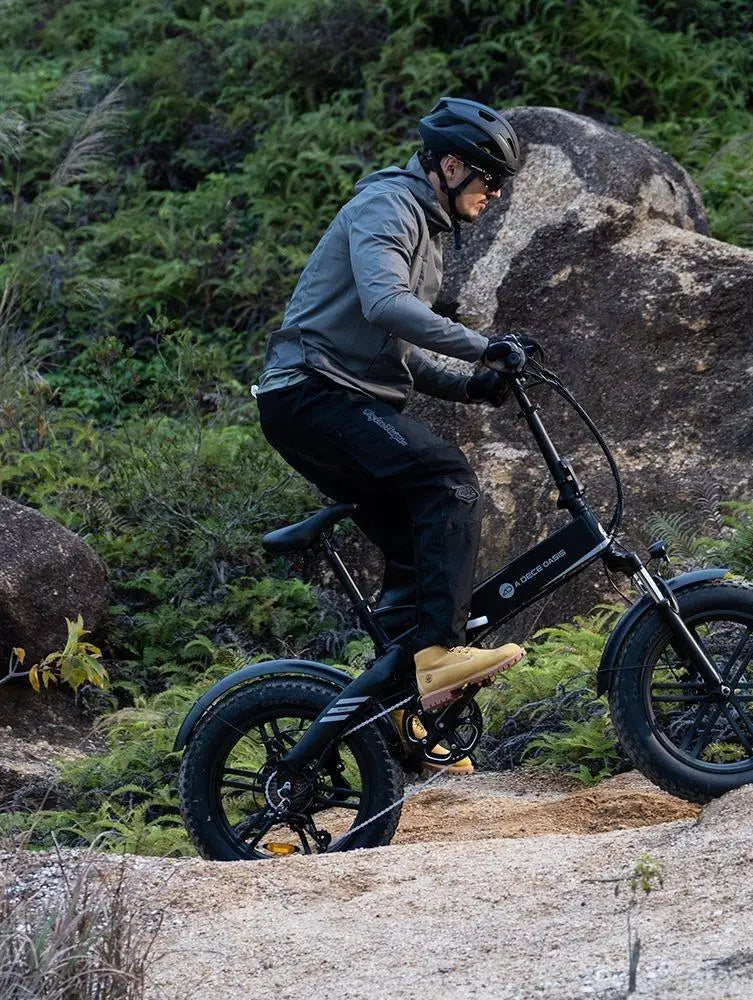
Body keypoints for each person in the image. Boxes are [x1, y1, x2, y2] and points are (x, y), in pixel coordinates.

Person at [253, 97, 539, 769]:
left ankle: (406, 723)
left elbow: (395, 356)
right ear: (447, 165)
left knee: (419, 546)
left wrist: (473, 382)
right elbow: (387, 305)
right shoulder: (389, 208)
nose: (493, 194)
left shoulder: (427, 229)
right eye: (486, 178)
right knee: (445, 481)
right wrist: (482, 345)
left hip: (334, 395)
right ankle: (436, 661)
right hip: (310, 395)